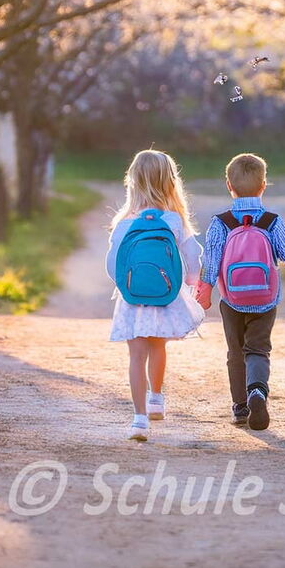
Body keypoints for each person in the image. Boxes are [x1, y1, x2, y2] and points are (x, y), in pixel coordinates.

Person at [195, 153, 285, 430]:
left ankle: (241, 408)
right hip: (265, 299)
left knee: (235, 352)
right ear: (263, 185)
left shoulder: (222, 222)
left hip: (232, 299)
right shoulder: (271, 221)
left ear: (228, 185)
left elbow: (211, 262)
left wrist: (204, 292)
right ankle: (258, 391)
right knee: (258, 349)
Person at [106, 150, 205, 441]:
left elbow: (112, 263)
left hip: (132, 298)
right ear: (170, 182)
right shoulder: (175, 221)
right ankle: (156, 399)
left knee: (136, 356)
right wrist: (190, 283)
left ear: (132, 182)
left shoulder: (124, 223)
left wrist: (123, 285)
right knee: (158, 347)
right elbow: (192, 257)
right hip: (165, 295)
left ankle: (138, 420)